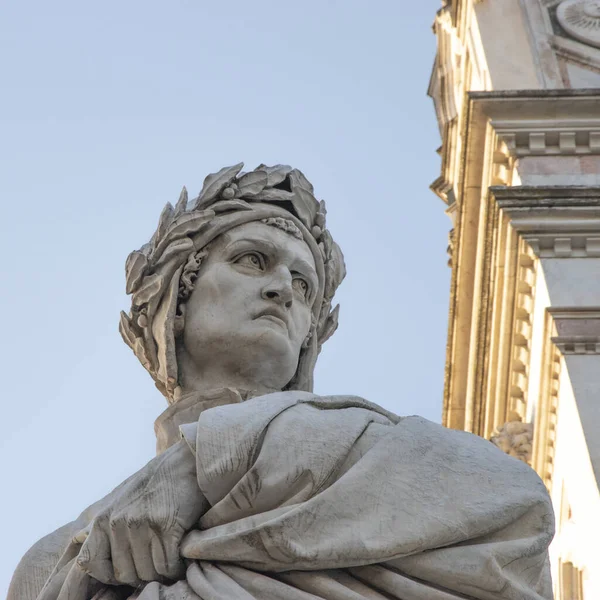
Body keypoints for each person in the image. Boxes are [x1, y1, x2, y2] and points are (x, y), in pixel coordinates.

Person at [8, 164, 554, 600]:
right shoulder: (57, 559)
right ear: (178, 298)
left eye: (303, 283)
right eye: (252, 261)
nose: (282, 290)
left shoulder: (390, 462)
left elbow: (517, 509)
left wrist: (207, 463)